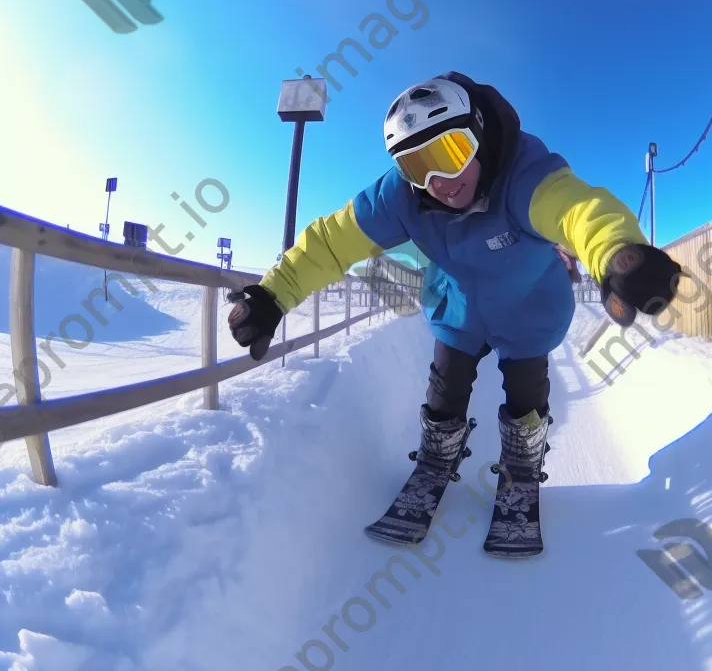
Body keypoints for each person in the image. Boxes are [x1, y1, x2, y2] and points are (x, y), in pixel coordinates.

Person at [226, 72, 681, 511]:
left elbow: (577, 209)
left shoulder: (524, 175)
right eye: (417, 166)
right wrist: (274, 294)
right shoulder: (401, 196)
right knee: (444, 388)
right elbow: (332, 241)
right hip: (459, 306)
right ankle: (438, 453)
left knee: (526, 392)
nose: (440, 182)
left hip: (528, 308)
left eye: (451, 151)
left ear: (478, 133)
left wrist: (616, 251)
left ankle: (522, 460)